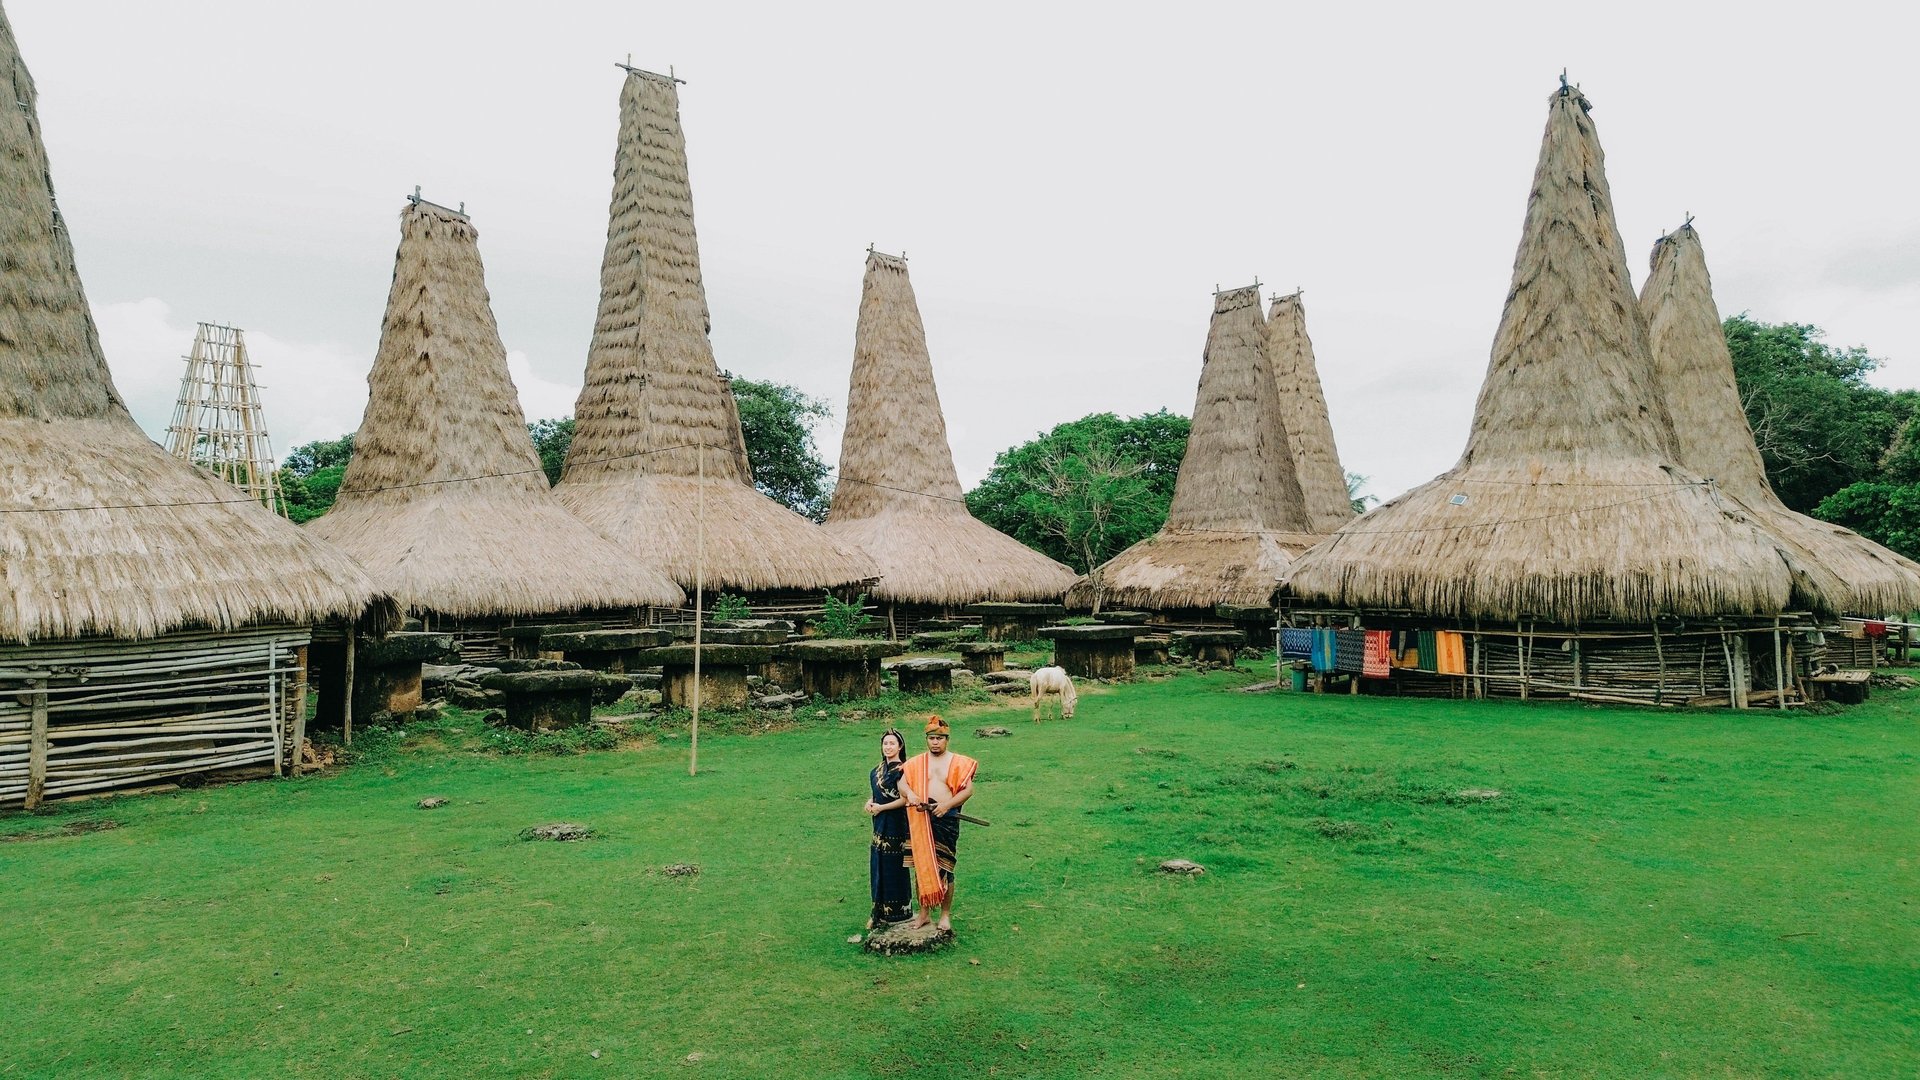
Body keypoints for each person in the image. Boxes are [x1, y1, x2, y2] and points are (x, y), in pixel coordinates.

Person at [898, 715, 978, 932]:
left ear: (947, 740)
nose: (935, 742)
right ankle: (924, 913)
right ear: (927, 739)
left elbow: (968, 790)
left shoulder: (958, 762)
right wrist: (911, 794)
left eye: (939, 738)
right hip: (920, 818)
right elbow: (902, 783)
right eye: (932, 738)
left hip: (946, 819)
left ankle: (944, 915)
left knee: (945, 867)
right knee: (921, 867)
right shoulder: (916, 763)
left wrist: (947, 805)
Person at [864, 729, 912, 928]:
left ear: (900, 746)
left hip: (895, 823)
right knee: (878, 863)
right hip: (879, 823)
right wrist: (870, 802)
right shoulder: (876, 771)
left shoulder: (902, 770)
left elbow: (904, 799)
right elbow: (877, 795)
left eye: (892, 743)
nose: (888, 747)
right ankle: (878, 911)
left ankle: (899, 913)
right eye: (885, 743)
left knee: (894, 865)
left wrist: (882, 807)